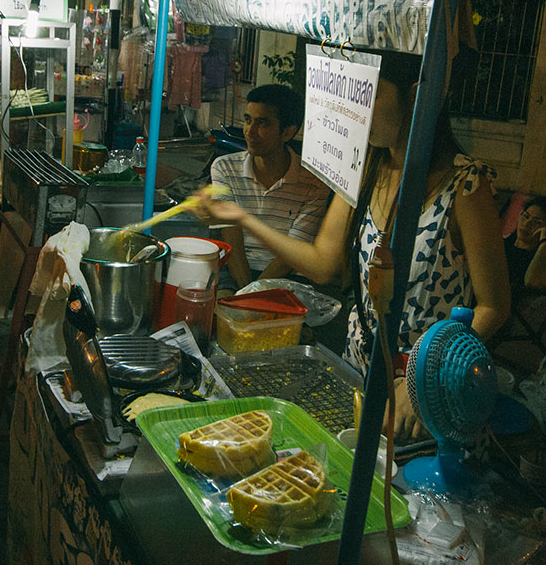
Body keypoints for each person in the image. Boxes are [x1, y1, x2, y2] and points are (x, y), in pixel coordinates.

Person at [197, 52, 510, 436]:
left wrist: (428, 377)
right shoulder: (365, 170)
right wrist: (241, 217)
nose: (360, 113)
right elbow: (321, 263)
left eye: (372, 97)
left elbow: (494, 305)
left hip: (428, 394)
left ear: (416, 97)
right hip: (358, 372)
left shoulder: (465, 185)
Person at [209, 84, 330, 293]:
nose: (250, 131)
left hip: (289, 276)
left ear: (287, 132)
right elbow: (233, 241)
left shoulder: (314, 183)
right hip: (237, 271)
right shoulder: (224, 168)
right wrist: (244, 295)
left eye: (262, 123)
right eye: (248, 120)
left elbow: (291, 257)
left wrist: (251, 296)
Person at [502, 195, 546, 291]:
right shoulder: (500, 244)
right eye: (526, 216)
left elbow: (532, 283)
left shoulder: (543, 261)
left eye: (537, 222)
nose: (526, 224)